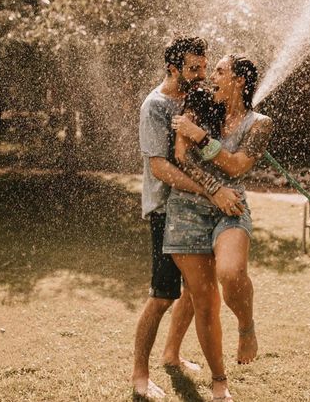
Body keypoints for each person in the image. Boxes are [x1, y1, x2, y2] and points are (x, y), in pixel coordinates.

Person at [132, 39, 243, 399]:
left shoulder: (195, 97)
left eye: (204, 68)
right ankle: (140, 375)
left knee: (197, 293)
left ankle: (172, 354)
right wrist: (209, 190)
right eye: (193, 69)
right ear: (173, 68)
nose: (201, 76)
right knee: (163, 295)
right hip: (167, 211)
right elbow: (160, 166)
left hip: (196, 211)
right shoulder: (155, 106)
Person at [163, 54, 273, 402]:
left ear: (239, 81)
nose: (213, 76)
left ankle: (246, 327)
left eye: (221, 72)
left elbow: (238, 166)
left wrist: (201, 137)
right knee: (200, 297)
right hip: (190, 211)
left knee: (229, 271)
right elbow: (181, 156)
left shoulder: (260, 124)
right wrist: (213, 189)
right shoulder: (198, 103)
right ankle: (216, 378)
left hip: (231, 208)